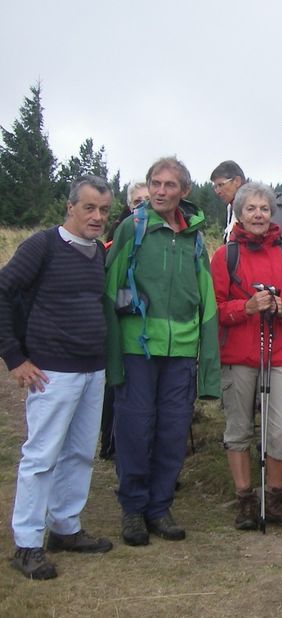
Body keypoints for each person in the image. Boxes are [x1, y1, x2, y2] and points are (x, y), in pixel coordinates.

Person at [104, 156, 221, 546]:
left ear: (184, 192)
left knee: (172, 431)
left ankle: (159, 507)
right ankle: (133, 509)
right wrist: (113, 359)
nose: (160, 191)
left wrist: (208, 368)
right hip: (138, 349)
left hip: (183, 351)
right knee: (136, 427)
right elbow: (109, 292)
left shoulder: (195, 239)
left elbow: (208, 304)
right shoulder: (130, 229)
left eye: (170, 185)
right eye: (155, 183)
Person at [2, 177, 114, 580]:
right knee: (41, 457)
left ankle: (65, 527)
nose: (97, 216)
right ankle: (27, 544)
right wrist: (14, 357)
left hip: (92, 369)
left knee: (81, 452)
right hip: (52, 372)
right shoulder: (42, 246)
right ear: (70, 207)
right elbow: (3, 290)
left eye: (104, 210)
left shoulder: (98, 254)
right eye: (89, 208)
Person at [211, 182, 282, 530]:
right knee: (239, 428)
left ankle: (276, 496)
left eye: (264, 209)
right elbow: (216, 309)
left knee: (281, 430)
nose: (258, 215)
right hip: (238, 354)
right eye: (251, 209)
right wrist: (247, 307)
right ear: (239, 214)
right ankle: (245, 500)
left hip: (280, 354)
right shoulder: (225, 256)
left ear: (273, 214)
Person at [100, 180, 150, 459]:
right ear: (129, 206)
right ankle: (110, 443)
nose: (142, 206)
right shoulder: (118, 236)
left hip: (145, 327)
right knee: (115, 385)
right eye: (137, 202)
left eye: (147, 200)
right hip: (120, 321)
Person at [210, 160, 247, 244]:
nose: (217, 191)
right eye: (215, 187)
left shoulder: (252, 209)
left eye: (221, 185)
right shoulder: (231, 207)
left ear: (237, 181)